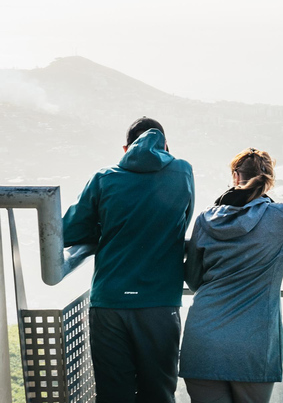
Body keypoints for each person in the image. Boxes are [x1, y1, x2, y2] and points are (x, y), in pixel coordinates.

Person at [180, 147, 283, 403]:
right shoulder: (281, 218)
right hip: (253, 344)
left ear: (235, 177)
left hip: (203, 339)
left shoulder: (206, 218)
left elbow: (194, 279)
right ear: (269, 181)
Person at [63, 117, 195, 403]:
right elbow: (183, 220)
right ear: (166, 146)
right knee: (159, 392)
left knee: (113, 394)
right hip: (160, 303)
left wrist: (105, 227)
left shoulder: (103, 177)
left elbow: (70, 231)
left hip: (109, 301)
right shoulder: (183, 171)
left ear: (126, 148)